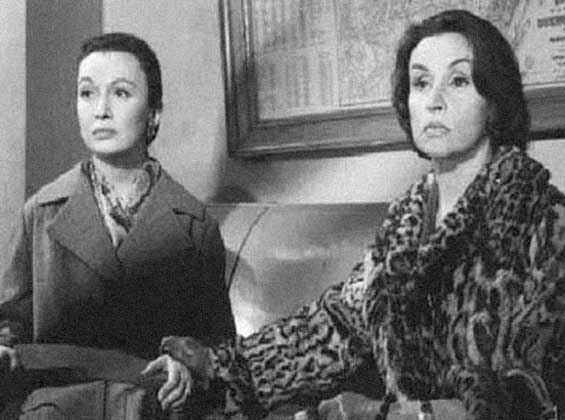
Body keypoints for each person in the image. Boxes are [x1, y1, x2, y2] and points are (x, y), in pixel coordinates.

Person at [159, 10, 565, 420]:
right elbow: (327, 332)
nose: (434, 101)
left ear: (494, 101)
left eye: (458, 81)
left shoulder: (543, 222)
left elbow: (538, 397)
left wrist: (384, 414)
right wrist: (208, 369)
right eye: (421, 83)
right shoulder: (404, 228)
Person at [0, 32, 236, 414]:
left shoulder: (195, 225)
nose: (101, 110)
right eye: (87, 93)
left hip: (151, 406)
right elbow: (10, 324)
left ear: (154, 113)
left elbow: (219, 349)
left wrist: (187, 366)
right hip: (56, 408)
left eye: (121, 93)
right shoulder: (40, 213)